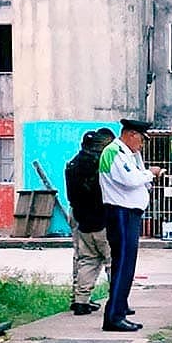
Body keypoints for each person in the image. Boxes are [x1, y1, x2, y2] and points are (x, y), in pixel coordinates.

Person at [99, 119, 162, 332]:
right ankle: (114, 317)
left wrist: (144, 171)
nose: (142, 145)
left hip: (128, 213)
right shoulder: (114, 152)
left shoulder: (128, 154)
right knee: (123, 264)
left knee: (126, 264)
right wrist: (151, 172)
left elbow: (138, 179)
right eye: (141, 140)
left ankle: (120, 307)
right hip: (121, 212)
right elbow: (130, 180)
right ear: (131, 134)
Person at [65, 128, 115, 315]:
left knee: (87, 260)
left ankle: (81, 300)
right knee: (113, 261)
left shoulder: (72, 164)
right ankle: (117, 301)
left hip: (81, 218)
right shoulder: (103, 164)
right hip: (103, 218)